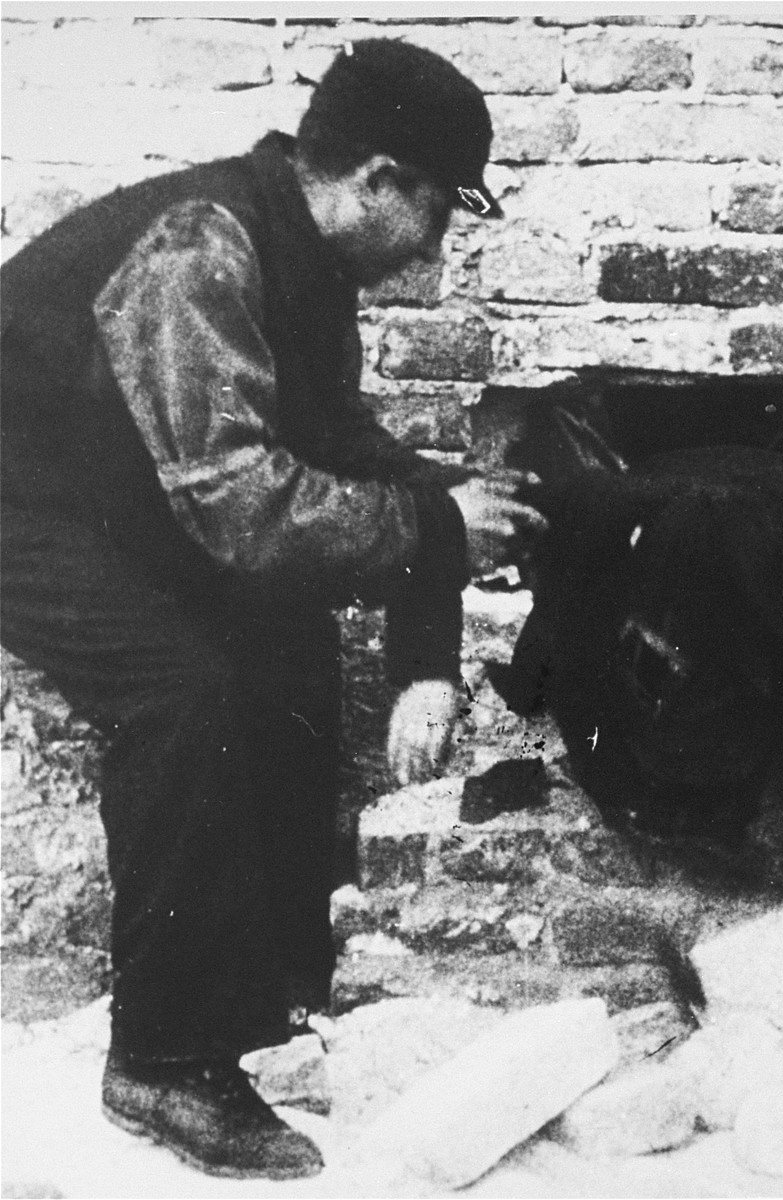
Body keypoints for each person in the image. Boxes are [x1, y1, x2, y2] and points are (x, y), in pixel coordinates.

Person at [0, 40, 545, 1180]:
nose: (439, 246)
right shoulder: (202, 248)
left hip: (116, 495)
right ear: (381, 179)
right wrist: (436, 531)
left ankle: (275, 993)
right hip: (20, 505)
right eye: (441, 211)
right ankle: (163, 1060)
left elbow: (330, 445)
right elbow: (243, 506)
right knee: (179, 689)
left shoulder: (306, 262)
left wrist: (442, 496)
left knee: (287, 643)